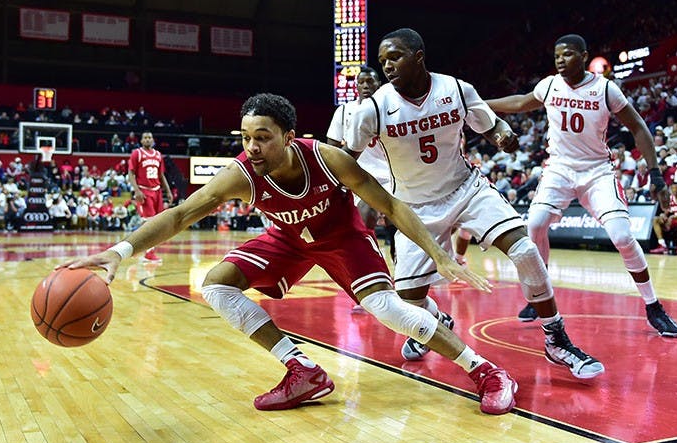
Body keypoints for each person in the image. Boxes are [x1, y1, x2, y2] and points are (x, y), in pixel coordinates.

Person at [62, 94, 518, 415]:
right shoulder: (241, 174)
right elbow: (181, 214)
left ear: (289, 136)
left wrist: (438, 254)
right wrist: (119, 252)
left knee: (387, 309)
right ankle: (301, 369)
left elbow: (392, 205)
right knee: (216, 284)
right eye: (245, 137)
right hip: (289, 238)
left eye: (262, 137)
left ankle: (488, 372)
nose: (252, 147)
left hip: (341, 236)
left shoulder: (326, 158)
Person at [347, 28, 604, 378]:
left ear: (418, 56)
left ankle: (555, 337)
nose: (388, 66)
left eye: (395, 57)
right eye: (383, 61)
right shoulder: (374, 108)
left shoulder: (456, 89)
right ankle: (439, 318)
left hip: (465, 189)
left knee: (525, 250)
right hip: (413, 206)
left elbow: (491, 124)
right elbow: (347, 160)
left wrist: (501, 136)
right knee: (408, 301)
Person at [486, 33, 677, 337]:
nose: (560, 60)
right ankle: (540, 298)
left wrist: (655, 175)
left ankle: (653, 305)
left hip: (597, 171)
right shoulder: (549, 84)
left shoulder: (605, 89)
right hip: (559, 169)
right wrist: (482, 105)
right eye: (557, 56)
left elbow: (639, 128)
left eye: (567, 55)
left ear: (583, 55)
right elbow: (521, 102)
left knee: (623, 237)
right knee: (535, 225)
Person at [326, 66, 391, 312]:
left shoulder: (390, 107)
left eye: (370, 81)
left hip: (396, 176)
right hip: (362, 178)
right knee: (364, 227)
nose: (366, 85)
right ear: (356, 86)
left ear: (378, 84)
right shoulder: (344, 111)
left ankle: (406, 287)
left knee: (401, 235)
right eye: (361, 81)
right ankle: (374, 289)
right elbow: (332, 148)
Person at [128, 131, 174, 262]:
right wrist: (136, 190)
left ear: (153, 140)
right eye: (145, 138)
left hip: (157, 191)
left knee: (157, 223)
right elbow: (131, 173)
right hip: (144, 191)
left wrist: (168, 191)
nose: (148, 140)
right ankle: (148, 253)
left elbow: (161, 175)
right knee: (149, 223)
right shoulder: (137, 153)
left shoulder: (158, 155)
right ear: (141, 141)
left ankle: (145, 249)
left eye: (150, 137)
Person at [650, 182, 677, 255]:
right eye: (672, 188)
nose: (674, 190)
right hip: (673, 221)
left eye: (675, 188)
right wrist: (662, 215)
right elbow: (666, 212)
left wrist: (675, 216)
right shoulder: (670, 198)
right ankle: (662, 245)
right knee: (656, 219)